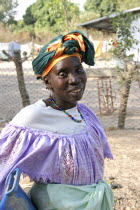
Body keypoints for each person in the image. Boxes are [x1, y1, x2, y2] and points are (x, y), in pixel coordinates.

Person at [0, 30, 114, 209]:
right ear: (47, 81)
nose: (75, 79)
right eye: (63, 74)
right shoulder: (34, 117)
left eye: (78, 70)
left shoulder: (85, 114)